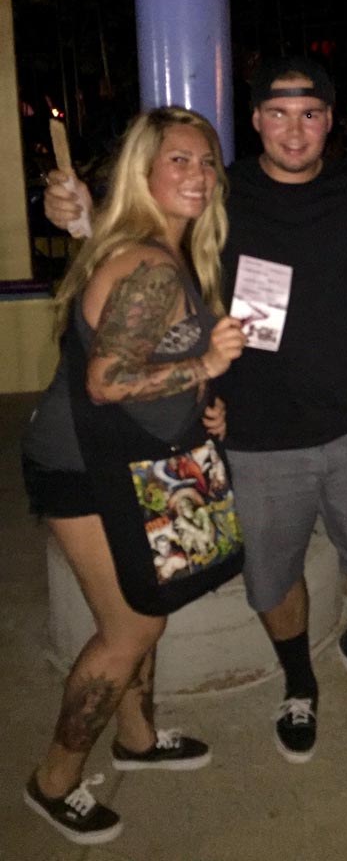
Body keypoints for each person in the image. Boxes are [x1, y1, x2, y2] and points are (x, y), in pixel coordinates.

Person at [43, 57, 347, 767]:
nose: (294, 129)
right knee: (272, 579)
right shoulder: (220, 196)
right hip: (253, 436)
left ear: (332, 122)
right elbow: (138, 229)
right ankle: (298, 681)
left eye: (310, 114)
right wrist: (76, 214)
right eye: (277, 113)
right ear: (255, 121)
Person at [22, 106, 247, 845]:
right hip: (81, 462)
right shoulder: (148, 263)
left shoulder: (162, 253)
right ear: (143, 173)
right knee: (133, 625)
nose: (199, 174)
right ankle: (53, 781)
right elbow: (108, 381)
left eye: (207, 161)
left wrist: (201, 398)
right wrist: (206, 363)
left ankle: (137, 740)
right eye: (178, 160)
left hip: (118, 455)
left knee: (140, 604)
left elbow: (151, 359)